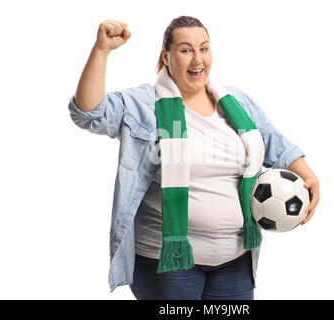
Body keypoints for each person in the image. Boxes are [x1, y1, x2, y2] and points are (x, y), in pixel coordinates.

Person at [68, 16, 320, 300]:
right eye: (186, 50)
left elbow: (274, 142)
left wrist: (307, 174)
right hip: (166, 264)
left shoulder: (236, 103)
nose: (197, 59)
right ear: (166, 56)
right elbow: (88, 113)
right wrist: (101, 51)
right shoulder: (144, 105)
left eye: (204, 48)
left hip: (235, 262)